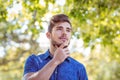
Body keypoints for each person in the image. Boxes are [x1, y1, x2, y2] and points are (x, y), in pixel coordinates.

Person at [23, 14, 88, 80]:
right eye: (59, 29)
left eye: (68, 30)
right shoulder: (34, 60)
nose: (65, 33)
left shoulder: (79, 68)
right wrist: (55, 61)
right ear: (49, 35)